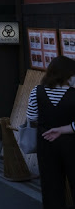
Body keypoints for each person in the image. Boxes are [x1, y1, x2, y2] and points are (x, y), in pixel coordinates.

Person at [26, 56, 75, 207]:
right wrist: (63, 128)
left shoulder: (37, 91)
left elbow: (31, 117)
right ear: (67, 74)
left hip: (45, 141)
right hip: (72, 143)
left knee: (51, 185)